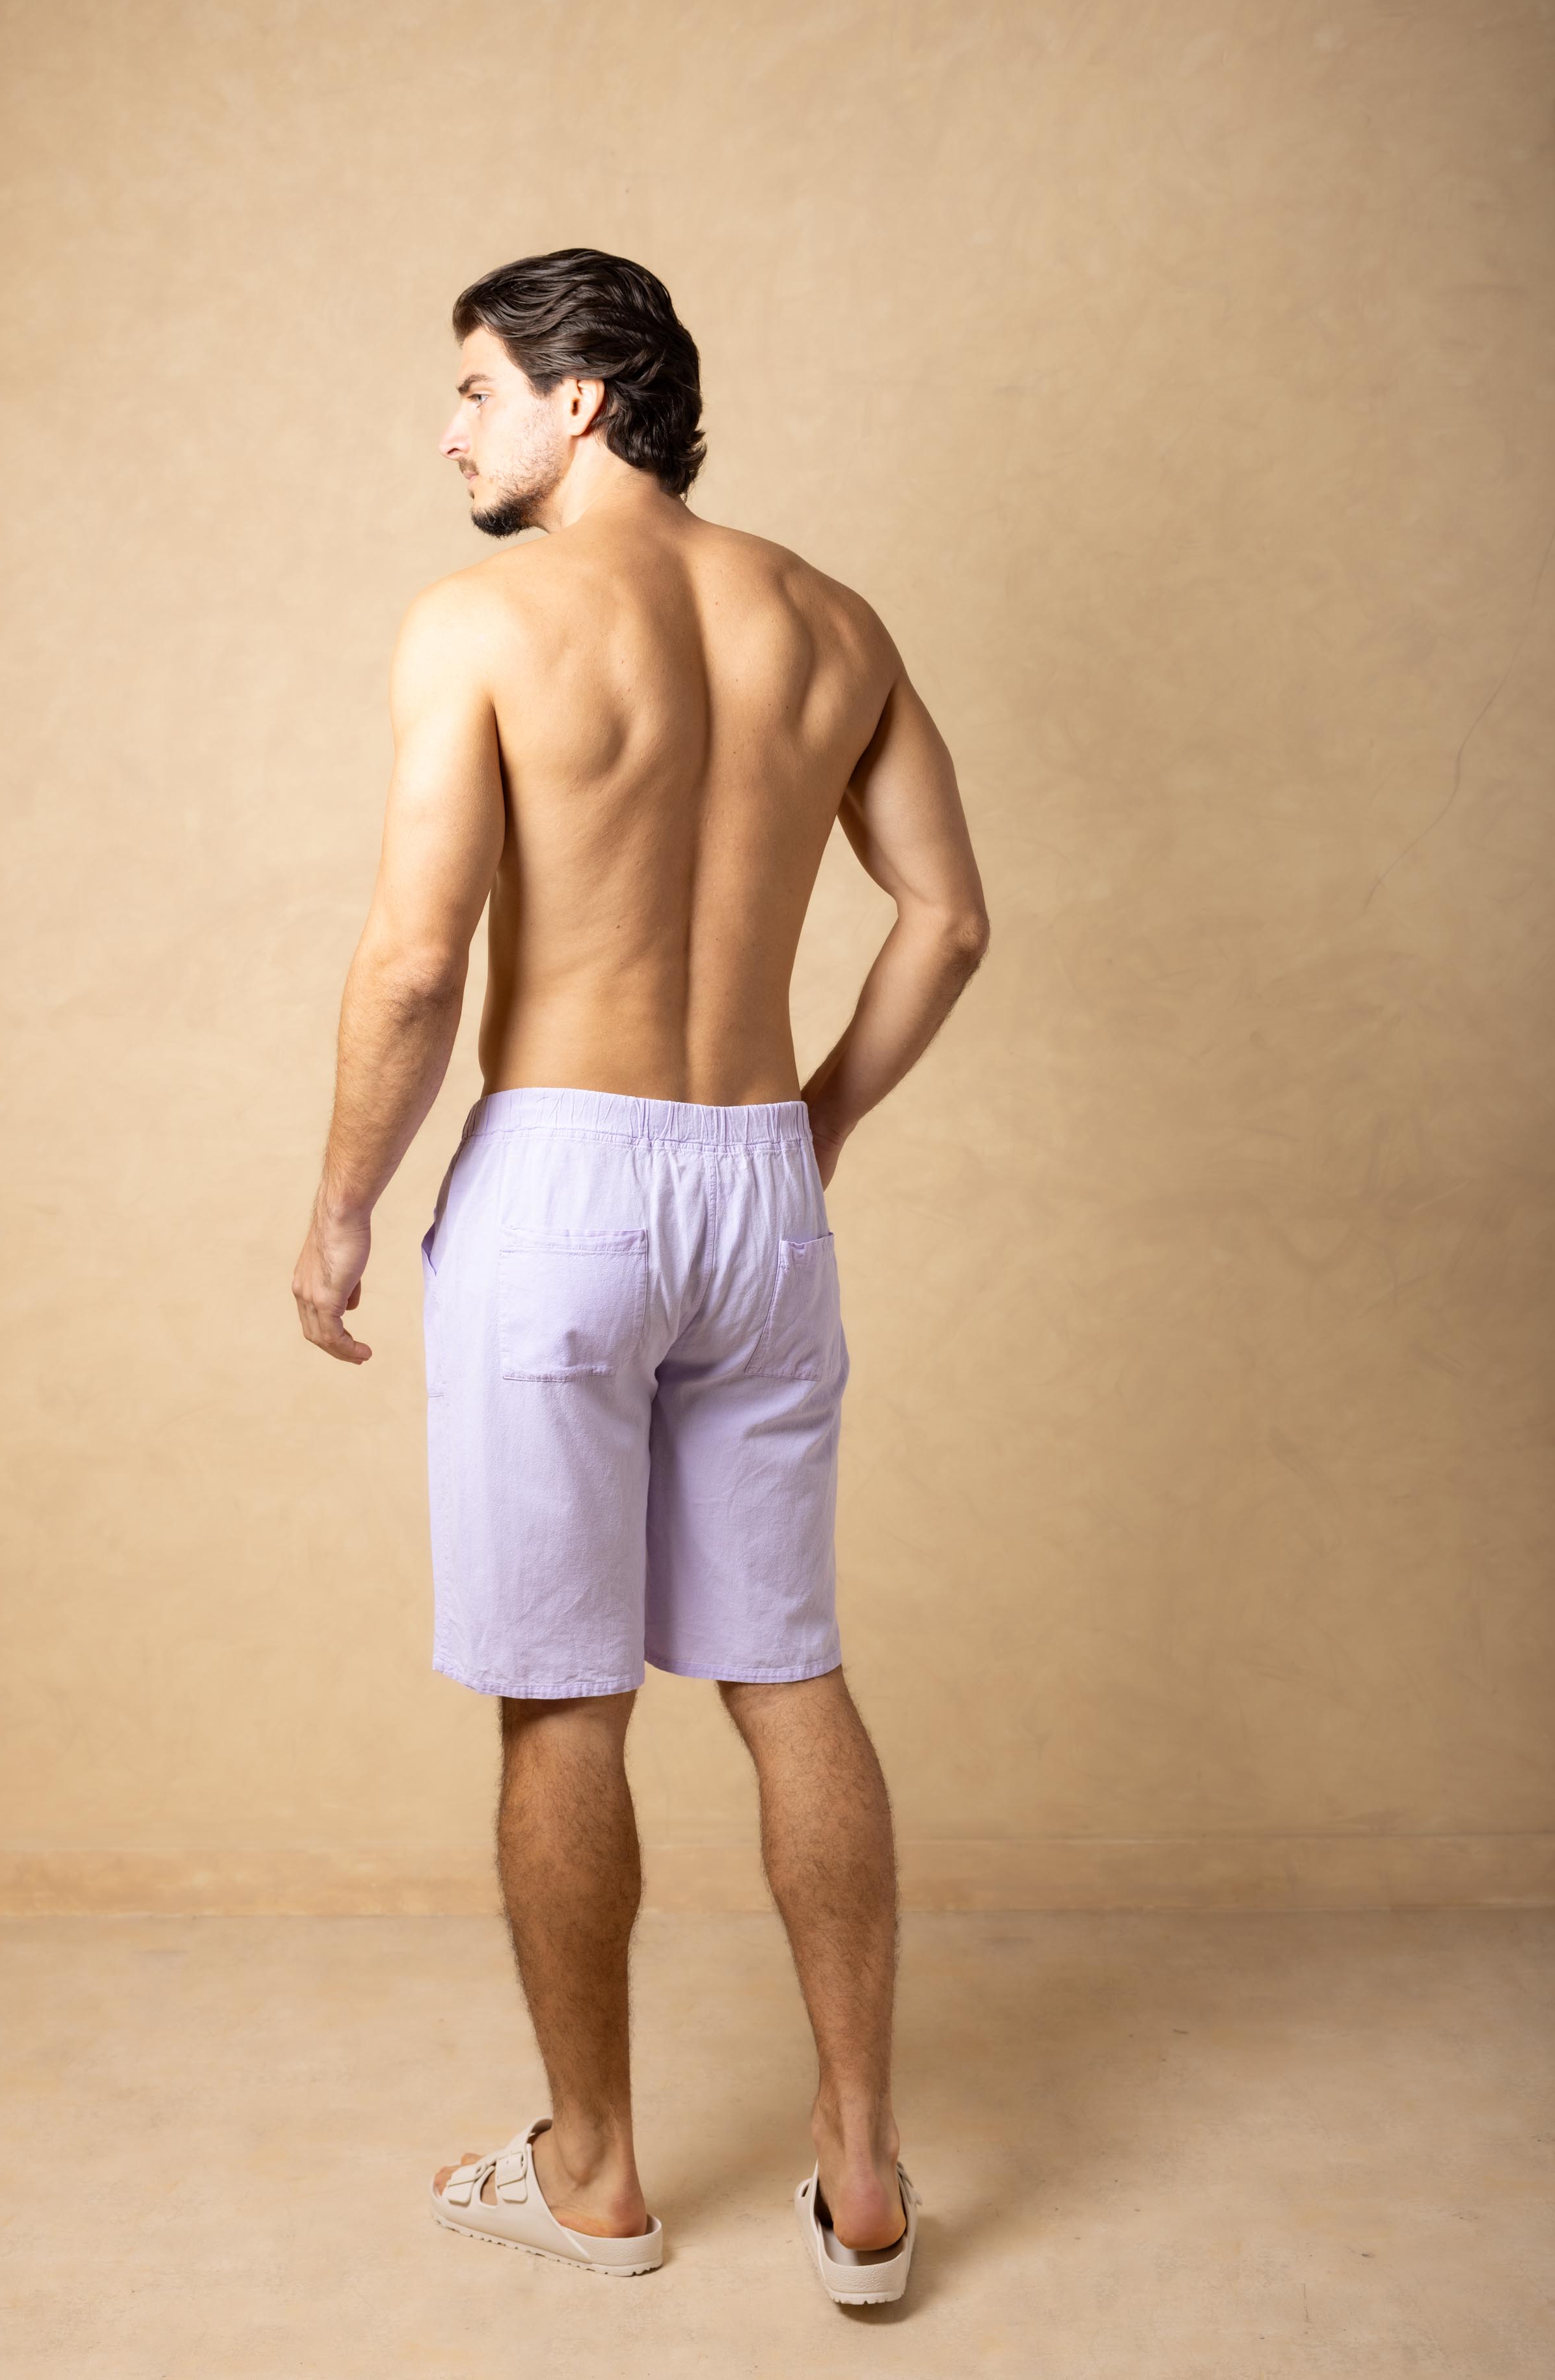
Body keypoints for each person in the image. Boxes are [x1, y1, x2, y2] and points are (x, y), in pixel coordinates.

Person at [291, 247, 989, 2304]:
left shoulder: (484, 621)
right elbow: (946, 918)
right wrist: (811, 1126)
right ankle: (861, 2176)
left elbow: (418, 957)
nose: (451, 431)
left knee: (563, 1695)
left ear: (581, 396)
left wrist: (341, 1202)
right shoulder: (830, 622)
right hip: (753, 1177)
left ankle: (592, 2173)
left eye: (477, 389)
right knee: (786, 1671)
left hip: (562, 1182)